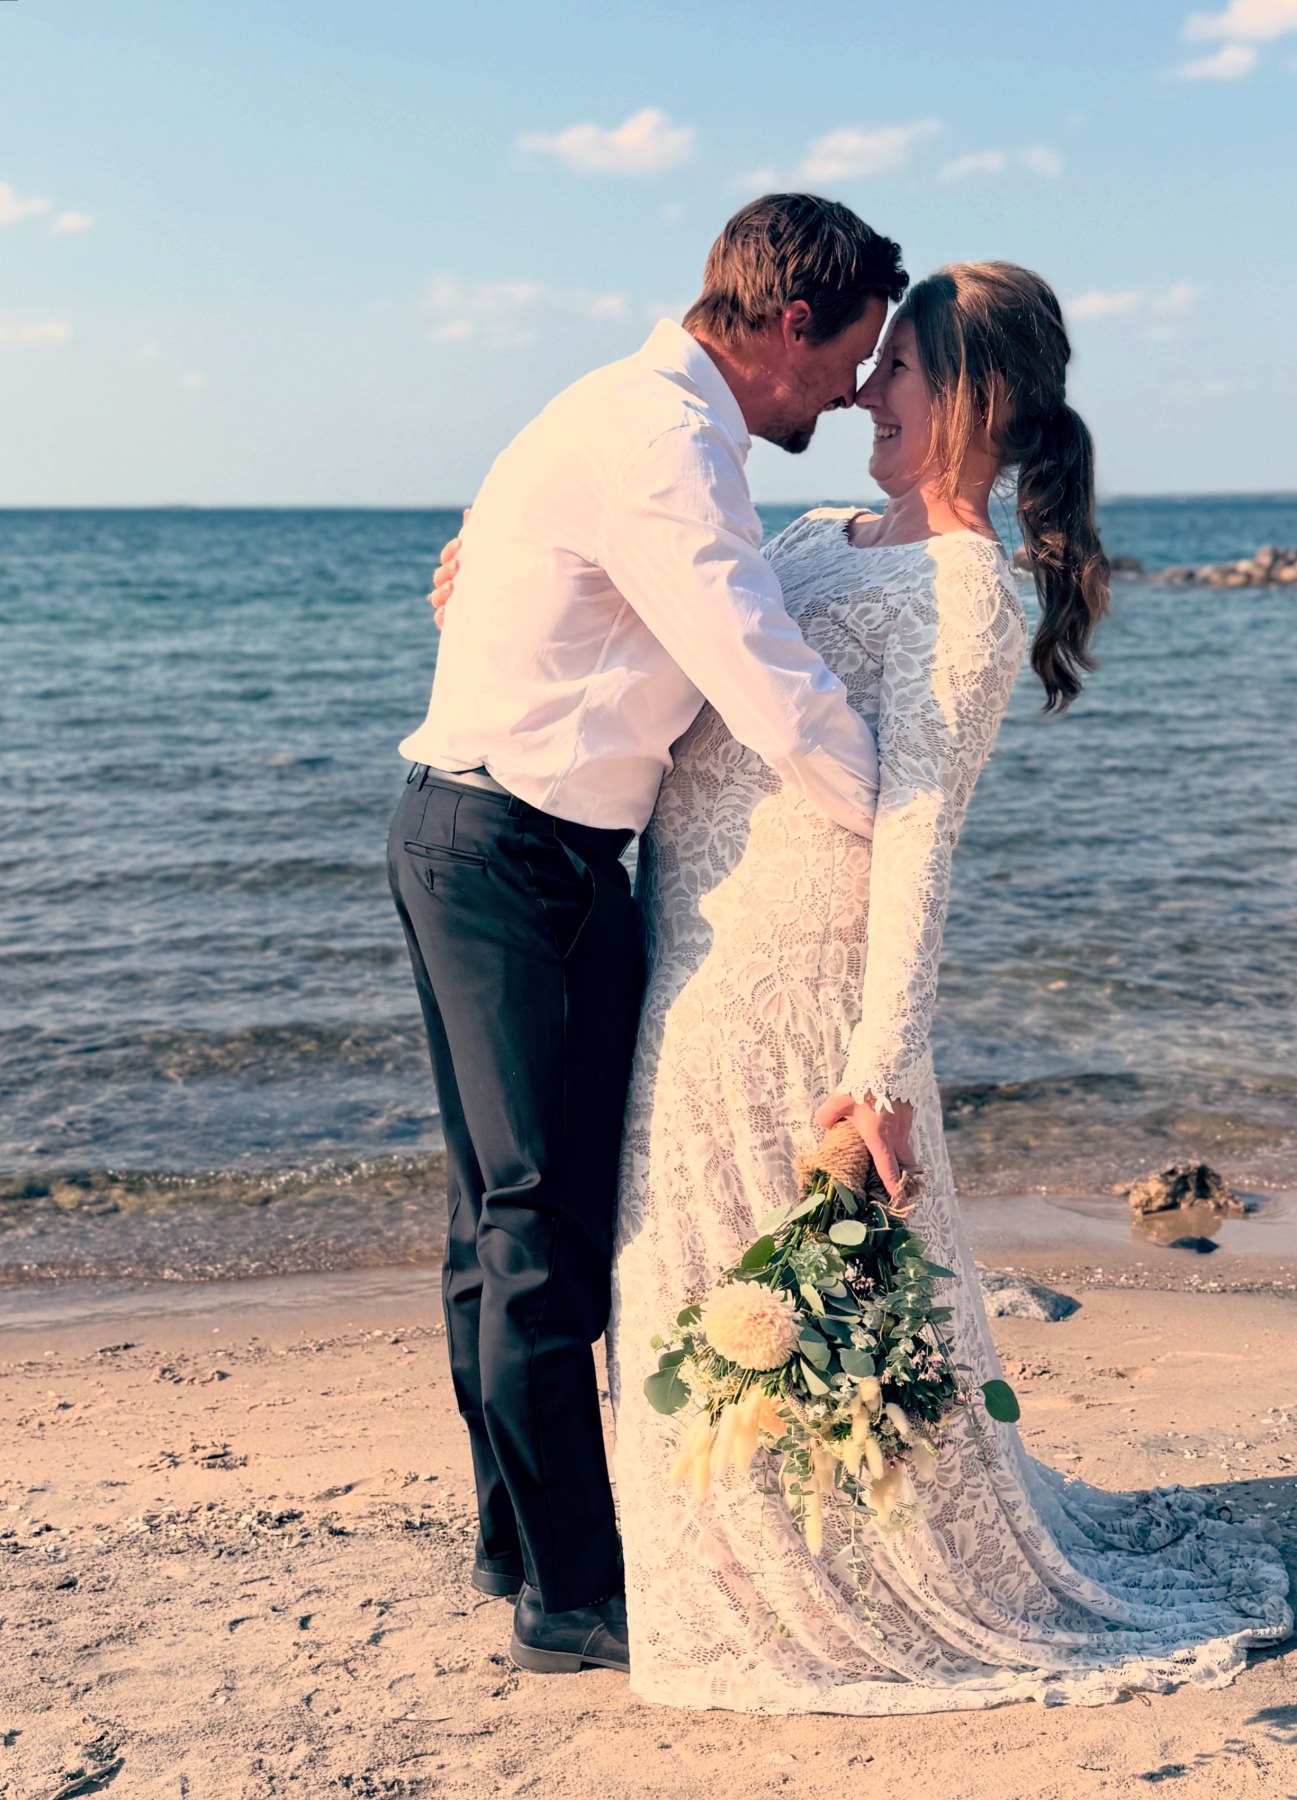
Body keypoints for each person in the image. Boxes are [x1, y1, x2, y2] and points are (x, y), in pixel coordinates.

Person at [435, 261, 1292, 1710]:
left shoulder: (967, 594)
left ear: (973, 400)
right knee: (678, 1266)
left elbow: (917, 838)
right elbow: (670, 620)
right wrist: (506, 576)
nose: (862, 394)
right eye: (870, 362)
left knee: (786, 1281)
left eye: (895, 370)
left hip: (798, 983)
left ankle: (820, 1560)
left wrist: (880, 1067)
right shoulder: (811, 530)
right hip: (686, 953)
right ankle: (688, 1548)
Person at [387, 194, 907, 1677]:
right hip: (511, 852)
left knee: (503, 1230)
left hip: (500, 841)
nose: (862, 388)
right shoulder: (664, 445)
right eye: (857, 355)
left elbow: (525, 593)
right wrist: (902, 826)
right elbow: (768, 678)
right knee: (533, 1237)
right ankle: (571, 1597)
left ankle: (518, 1543)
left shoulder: (627, 417)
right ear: (790, 325)